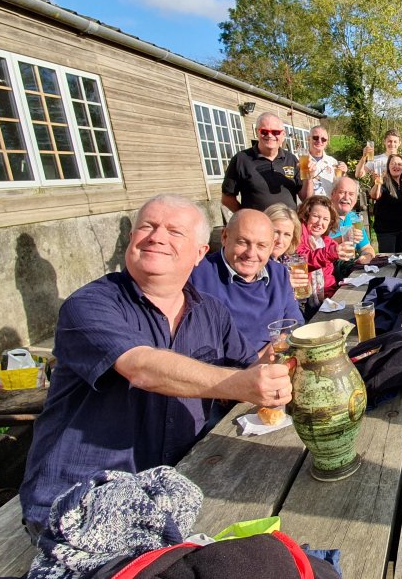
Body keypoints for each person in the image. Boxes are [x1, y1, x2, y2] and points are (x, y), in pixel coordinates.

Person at [20, 195, 291, 536]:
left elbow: (254, 369)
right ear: (131, 240)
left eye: (174, 231)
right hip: (81, 503)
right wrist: (239, 383)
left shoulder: (212, 312)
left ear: (198, 254)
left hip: (177, 487)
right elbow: (141, 367)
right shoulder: (89, 304)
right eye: (147, 226)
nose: (157, 236)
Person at [188, 209, 302, 347]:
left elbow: (295, 326)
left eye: (261, 245)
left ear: (271, 246)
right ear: (224, 237)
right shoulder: (196, 275)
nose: (251, 253)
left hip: (276, 362)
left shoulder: (279, 274)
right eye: (243, 242)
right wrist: (258, 360)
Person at [221, 112, 300, 211]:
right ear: (257, 132)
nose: (270, 135)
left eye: (275, 132)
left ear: (283, 135)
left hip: (288, 225)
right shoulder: (241, 159)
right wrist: (246, 217)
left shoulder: (291, 159)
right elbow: (227, 198)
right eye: (264, 131)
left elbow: (304, 196)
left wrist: (309, 178)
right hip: (258, 226)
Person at [296, 195, 343, 300]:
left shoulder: (324, 241)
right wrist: (332, 252)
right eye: (316, 216)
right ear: (306, 215)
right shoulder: (298, 235)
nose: (320, 223)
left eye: (325, 219)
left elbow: (328, 278)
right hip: (303, 301)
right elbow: (303, 260)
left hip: (324, 299)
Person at [369, 154, 402, 253]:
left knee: (400, 259)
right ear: (388, 167)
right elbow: (374, 196)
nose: (396, 166)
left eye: (399, 164)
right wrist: (377, 184)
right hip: (386, 231)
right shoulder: (383, 183)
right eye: (393, 164)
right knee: (388, 262)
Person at [329, 177, 376, 265]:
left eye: (351, 194)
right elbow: (315, 247)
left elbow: (366, 247)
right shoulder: (323, 216)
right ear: (332, 194)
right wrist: (345, 237)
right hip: (328, 273)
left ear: (355, 199)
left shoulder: (354, 218)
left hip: (349, 271)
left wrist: (366, 256)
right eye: (342, 192)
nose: (346, 197)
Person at [300, 125, 348, 198]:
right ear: (308, 139)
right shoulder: (299, 159)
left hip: (327, 206)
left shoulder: (333, 161)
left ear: (326, 143)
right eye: (315, 138)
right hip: (306, 206)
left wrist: (344, 173)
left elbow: (338, 186)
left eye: (323, 139)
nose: (319, 141)